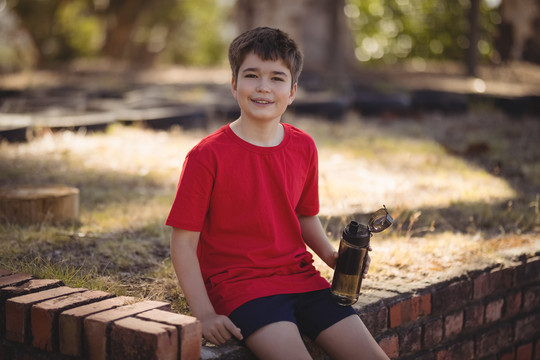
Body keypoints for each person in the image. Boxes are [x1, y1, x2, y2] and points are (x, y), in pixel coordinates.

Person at [167, 26, 389, 360]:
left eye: (276, 78)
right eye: (252, 75)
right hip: (241, 288)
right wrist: (205, 312)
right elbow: (183, 242)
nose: (263, 87)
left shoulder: (303, 146)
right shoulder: (206, 156)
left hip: (303, 279)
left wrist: (332, 257)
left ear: (293, 90)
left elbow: (303, 216)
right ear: (234, 84)